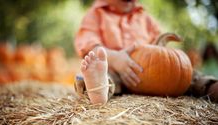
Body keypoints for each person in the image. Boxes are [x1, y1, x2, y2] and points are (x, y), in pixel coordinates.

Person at [74, 0, 218, 104]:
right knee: (103, 75)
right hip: (113, 69)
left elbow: (159, 49)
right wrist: (114, 58)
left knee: (188, 75)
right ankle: (99, 89)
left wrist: (162, 44)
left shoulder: (145, 18)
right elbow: (88, 44)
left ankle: (211, 87)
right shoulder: (95, 14)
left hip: (148, 73)